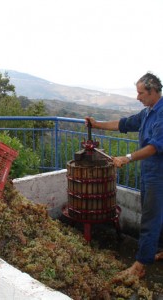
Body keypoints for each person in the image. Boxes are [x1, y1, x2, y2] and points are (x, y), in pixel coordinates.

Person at [85, 72, 163, 278]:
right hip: (149, 172)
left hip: (159, 175)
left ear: (154, 91)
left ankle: (140, 265)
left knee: (150, 218)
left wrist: (127, 157)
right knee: (156, 214)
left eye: (141, 93)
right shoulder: (148, 112)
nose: (138, 98)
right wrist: (97, 124)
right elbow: (124, 123)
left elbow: (155, 147)